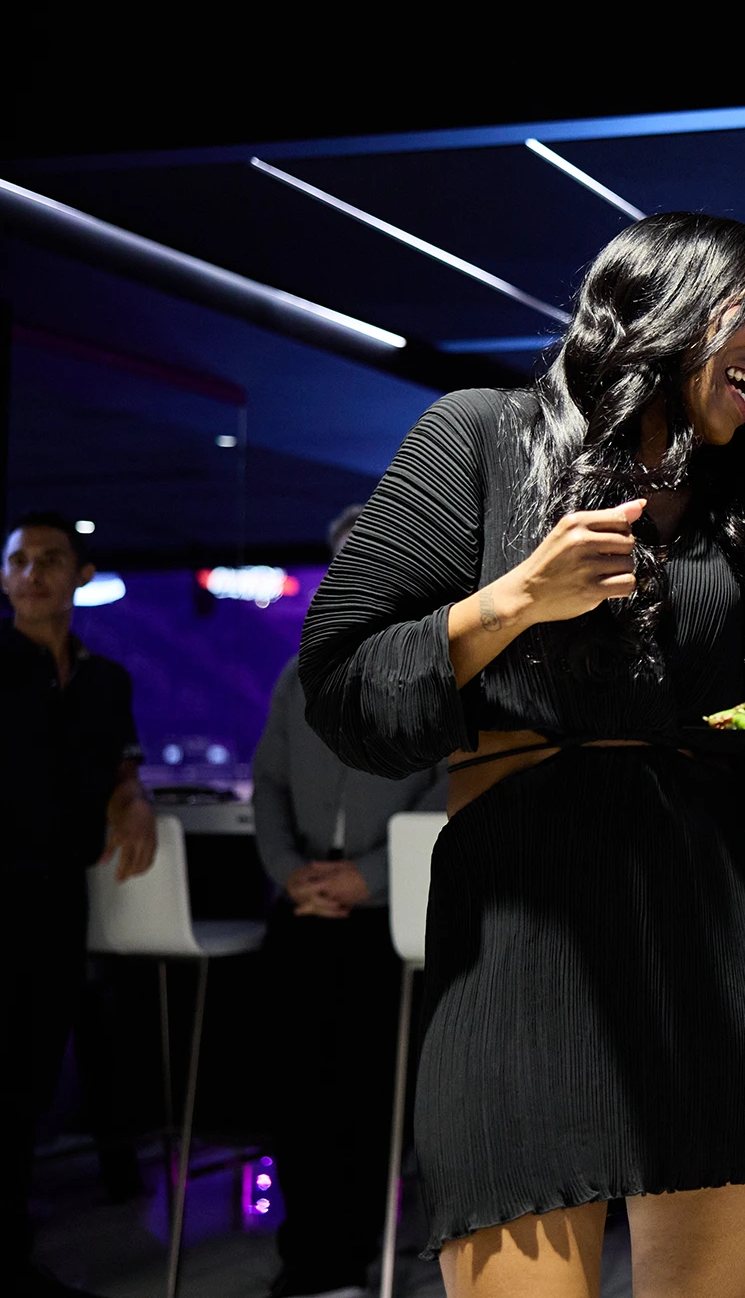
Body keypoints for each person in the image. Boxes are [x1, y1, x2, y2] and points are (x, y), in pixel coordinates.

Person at [298, 213, 745, 1298]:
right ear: (668, 301)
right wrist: (516, 600)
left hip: (711, 959)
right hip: (519, 952)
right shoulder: (479, 437)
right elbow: (342, 686)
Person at [254, 504, 448, 1298]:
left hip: (385, 918)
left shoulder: (434, 674)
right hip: (300, 906)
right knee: (293, 1092)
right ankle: (309, 1259)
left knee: (370, 1097)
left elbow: (446, 791)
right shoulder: (297, 677)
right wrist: (286, 869)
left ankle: (352, 1257)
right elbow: (268, 783)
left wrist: (369, 875)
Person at [2, 512, 155, 1298]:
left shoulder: (106, 679)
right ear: (4, 578)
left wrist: (131, 792)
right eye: (19, 561)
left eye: (50, 559)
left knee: (31, 1073)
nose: (33, 573)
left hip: (58, 893)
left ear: (81, 574)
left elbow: (121, 757)